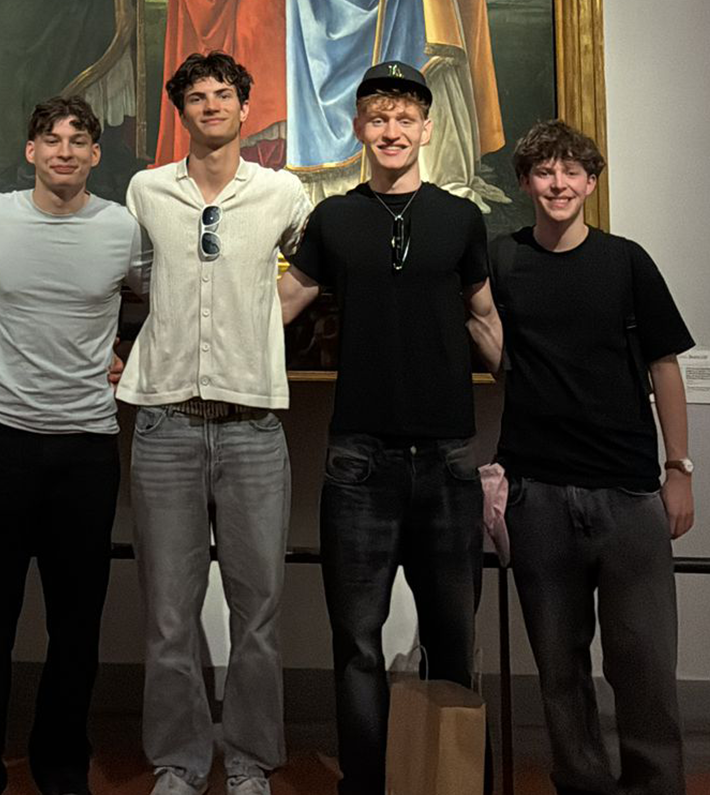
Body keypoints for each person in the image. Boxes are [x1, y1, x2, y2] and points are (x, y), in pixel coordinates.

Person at [280, 60, 503, 795]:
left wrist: (544, 391)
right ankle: (366, 784)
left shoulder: (460, 219)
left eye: (405, 118)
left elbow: (484, 319)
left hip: (448, 460)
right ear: (358, 129)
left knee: (452, 640)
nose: (391, 130)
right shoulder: (334, 219)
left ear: (426, 129)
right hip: (359, 463)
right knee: (356, 643)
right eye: (378, 118)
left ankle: (452, 782)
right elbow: (283, 303)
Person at [0, 95, 149, 795]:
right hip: (2, 440)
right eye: (51, 139)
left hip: (86, 448)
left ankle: (61, 765)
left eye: (78, 139)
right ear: (30, 151)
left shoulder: (121, 227)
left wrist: (131, 353)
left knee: (75, 624)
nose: (63, 150)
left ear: (95, 154)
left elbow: (172, 299)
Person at [117, 51, 312, 795]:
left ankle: (251, 761)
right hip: (165, 422)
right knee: (169, 614)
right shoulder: (147, 189)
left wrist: (266, 318)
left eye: (223, 94)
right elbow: (127, 277)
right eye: (196, 96)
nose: (211, 105)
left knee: (256, 611)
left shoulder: (280, 192)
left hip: (252, 426)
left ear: (243, 106)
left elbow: (320, 267)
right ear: (182, 111)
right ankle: (178, 760)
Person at [492, 120, 694, 795]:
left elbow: (664, 366)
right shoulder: (502, 259)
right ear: (525, 182)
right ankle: (582, 785)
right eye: (544, 172)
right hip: (537, 492)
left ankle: (654, 785)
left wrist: (678, 470)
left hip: (628, 490)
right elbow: (479, 334)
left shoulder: (625, 261)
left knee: (644, 664)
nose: (558, 183)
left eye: (571, 171)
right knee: (559, 668)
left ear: (590, 182)